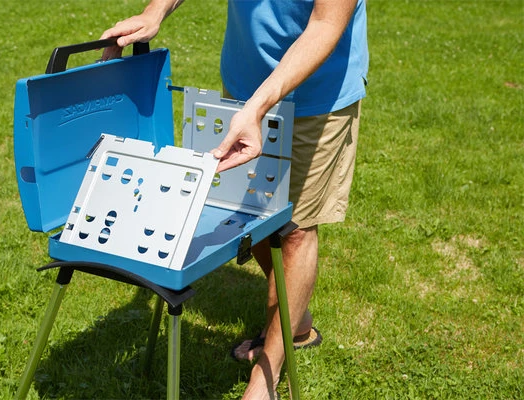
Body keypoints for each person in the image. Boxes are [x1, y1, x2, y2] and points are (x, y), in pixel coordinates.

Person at [101, 0, 368, 399]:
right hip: (244, 83)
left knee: (294, 230)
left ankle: (265, 380)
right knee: (249, 213)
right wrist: (155, 11)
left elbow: (326, 24)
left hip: (318, 97)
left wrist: (258, 106)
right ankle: (296, 322)